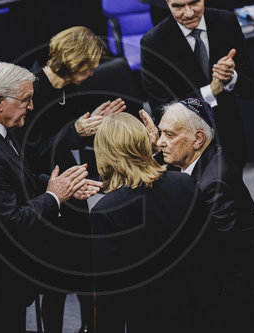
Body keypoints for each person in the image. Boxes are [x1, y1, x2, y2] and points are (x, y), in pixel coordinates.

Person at [0, 62, 101, 332]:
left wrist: (58, 185)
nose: (31, 106)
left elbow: (14, 181)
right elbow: (12, 222)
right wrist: (54, 196)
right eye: (26, 100)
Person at [139, 97, 254, 332]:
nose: (160, 142)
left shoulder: (215, 183)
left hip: (235, 301)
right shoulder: (201, 157)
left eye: (170, 135)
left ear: (198, 139)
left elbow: (216, 250)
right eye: (160, 133)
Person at [20, 26, 125, 333]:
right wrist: (76, 132)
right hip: (45, 187)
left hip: (71, 183)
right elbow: (31, 153)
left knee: (84, 269)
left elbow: (71, 134)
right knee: (55, 281)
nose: (93, 73)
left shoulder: (71, 87)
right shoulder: (32, 89)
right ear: (73, 61)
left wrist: (95, 124)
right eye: (89, 67)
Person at [90, 112, 211, 332]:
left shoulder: (106, 211)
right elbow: (207, 247)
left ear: (104, 154)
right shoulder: (184, 183)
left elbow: (111, 295)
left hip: (151, 321)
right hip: (200, 310)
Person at [140, 0, 254, 169]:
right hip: (185, 149)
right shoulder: (153, 43)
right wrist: (211, 91)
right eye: (178, 6)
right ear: (167, 3)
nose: (188, 13)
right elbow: (161, 107)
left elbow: (250, 87)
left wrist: (231, 77)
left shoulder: (227, 22)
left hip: (229, 136)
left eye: (194, 3)